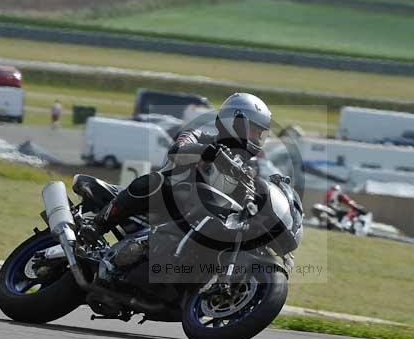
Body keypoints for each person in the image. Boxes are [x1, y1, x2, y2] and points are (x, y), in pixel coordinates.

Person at [82, 93, 272, 239]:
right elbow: (177, 151)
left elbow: (249, 195)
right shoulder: (199, 136)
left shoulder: (245, 169)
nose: (257, 139)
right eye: (253, 131)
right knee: (153, 181)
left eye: (260, 134)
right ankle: (98, 225)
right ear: (234, 123)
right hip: (164, 205)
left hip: (200, 223)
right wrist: (206, 152)